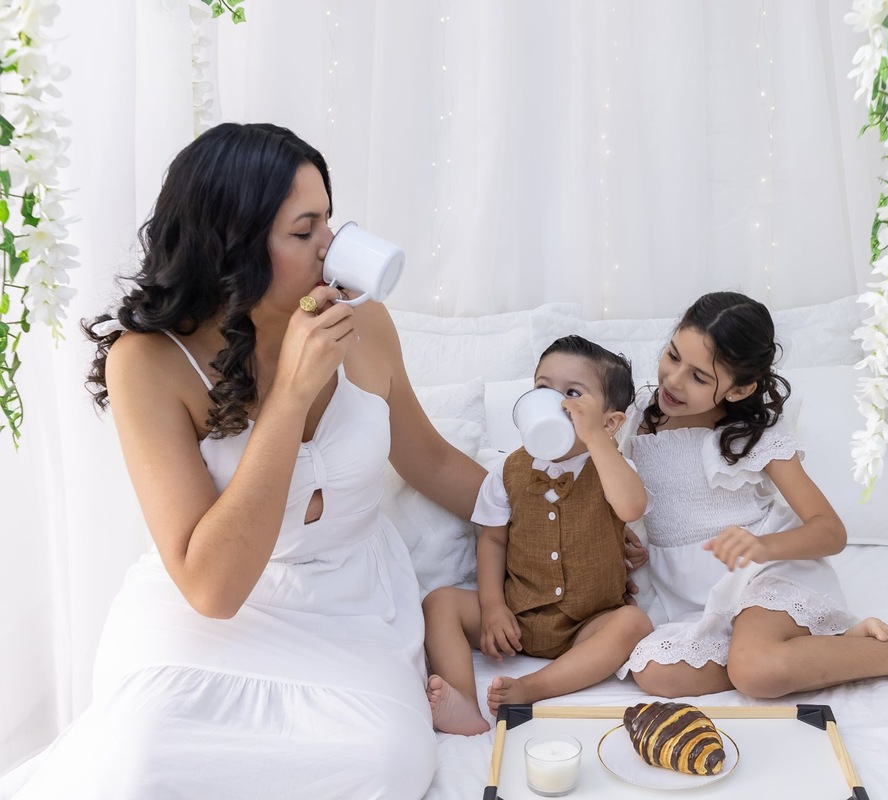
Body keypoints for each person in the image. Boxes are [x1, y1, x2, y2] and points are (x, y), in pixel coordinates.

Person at [0, 122, 486, 800]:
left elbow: (430, 460)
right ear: (232, 244)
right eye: (305, 230)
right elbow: (213, 590)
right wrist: (289, 394)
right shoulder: (148, 363)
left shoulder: (363, 322)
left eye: (330, 222)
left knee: (386, 762)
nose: (333, 247)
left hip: (348, 605)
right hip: (207, 616)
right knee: (139, 762)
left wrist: (570, 511)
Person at [620, 291, 888, 699]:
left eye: (699, 377)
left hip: (762, 573)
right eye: (673, 355)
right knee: (657, 674)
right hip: (687, 591)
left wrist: (761, 545)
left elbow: (830, 532)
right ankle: (829, 647)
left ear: (737, 391)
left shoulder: (756, 437)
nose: (674, 379)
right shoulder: (635, 416)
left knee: (756, 673)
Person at [423, 336, 654, 735]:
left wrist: (598, 440)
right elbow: (493, 540)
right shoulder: (507, 471)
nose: (556, 403)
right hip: (518, 616)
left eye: (573, 393)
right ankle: (460, 700)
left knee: (633, 624)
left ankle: (534, 687)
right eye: (544, 389)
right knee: (440, 603)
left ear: (611, 421)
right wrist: (493, 607)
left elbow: (631, 507)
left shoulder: (614, 466)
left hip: (588, 621)